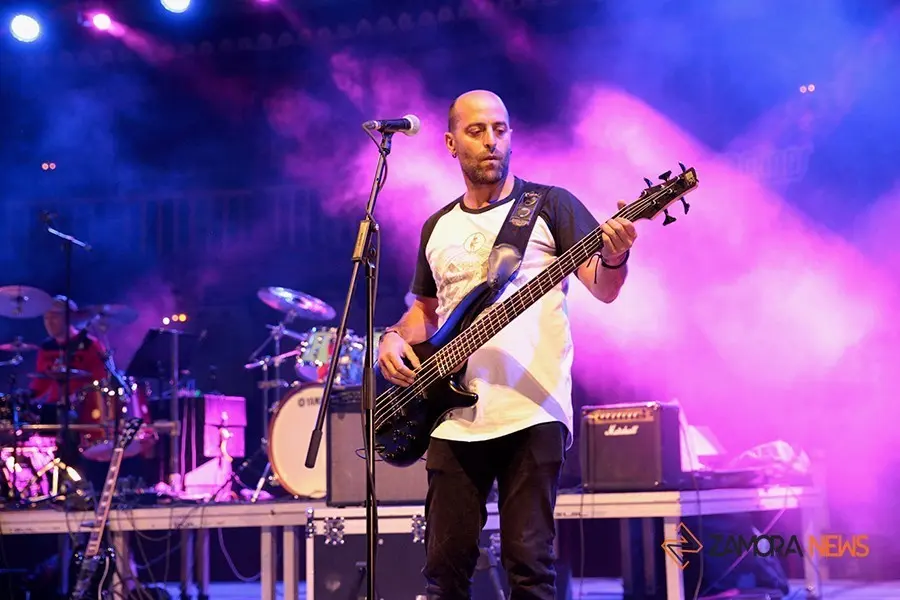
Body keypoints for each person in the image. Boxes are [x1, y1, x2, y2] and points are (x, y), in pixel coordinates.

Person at [377, 90, 638, 600]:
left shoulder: (551, 205)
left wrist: (615, 257)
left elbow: (604, 290)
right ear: (451, 144)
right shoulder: (437, 226)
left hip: (532, 412)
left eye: (500, 128)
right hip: (452, 418)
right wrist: (390, 337)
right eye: (477, 131)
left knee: (530, 569)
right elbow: (425, 311)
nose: (491, 140)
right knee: (444, 571)